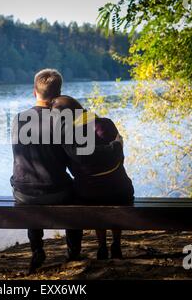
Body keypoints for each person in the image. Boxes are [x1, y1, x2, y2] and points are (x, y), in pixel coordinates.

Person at [10, 69, 83, 273]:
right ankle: (73, 251)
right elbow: (73, 160)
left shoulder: (18, 119)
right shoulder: (63, 120)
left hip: (23, 194)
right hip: (56, 192)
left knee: (29, 182)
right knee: (76, 192)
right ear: (59, 94)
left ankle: (37, 249)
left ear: (35, 92)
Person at [50, 95, 135, 260]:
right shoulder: (106, 124)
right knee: (113, 186)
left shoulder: (69, 135)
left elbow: (72, 166)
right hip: (121, 191)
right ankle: (116, 243)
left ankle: (102, 246)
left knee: (92, 192)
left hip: (90, 194)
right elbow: (120, 157)